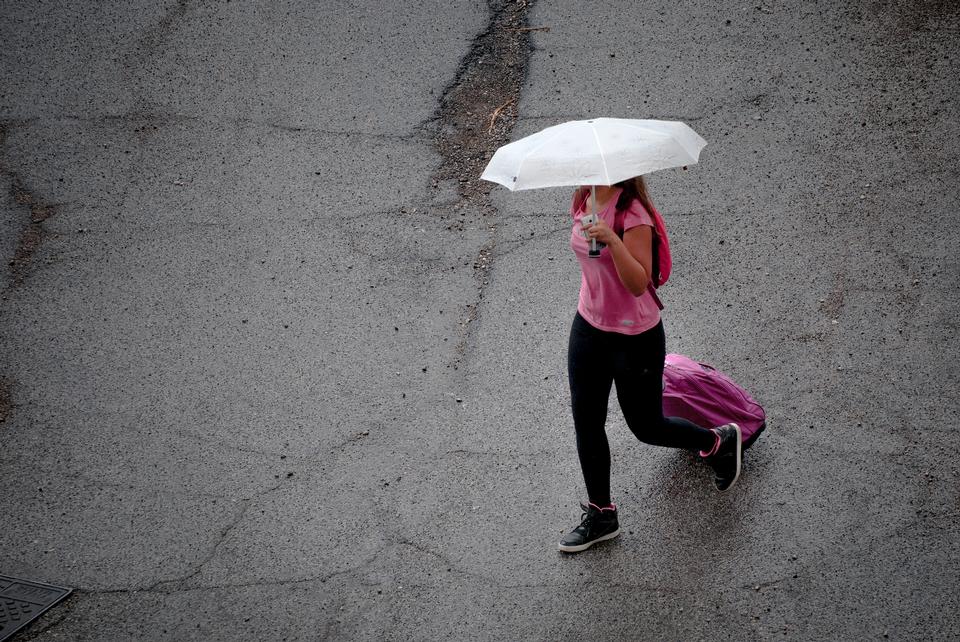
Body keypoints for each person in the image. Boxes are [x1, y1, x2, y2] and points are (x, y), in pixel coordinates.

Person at [559, 176, 742, 554]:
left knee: (646, 426)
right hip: (588, 328)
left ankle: (717, 441)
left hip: (634, 337)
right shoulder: (582, 197)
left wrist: (611, 239)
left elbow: (638, 283)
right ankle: (602, 514)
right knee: (587, 422)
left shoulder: (633, 214)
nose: (582, 167)